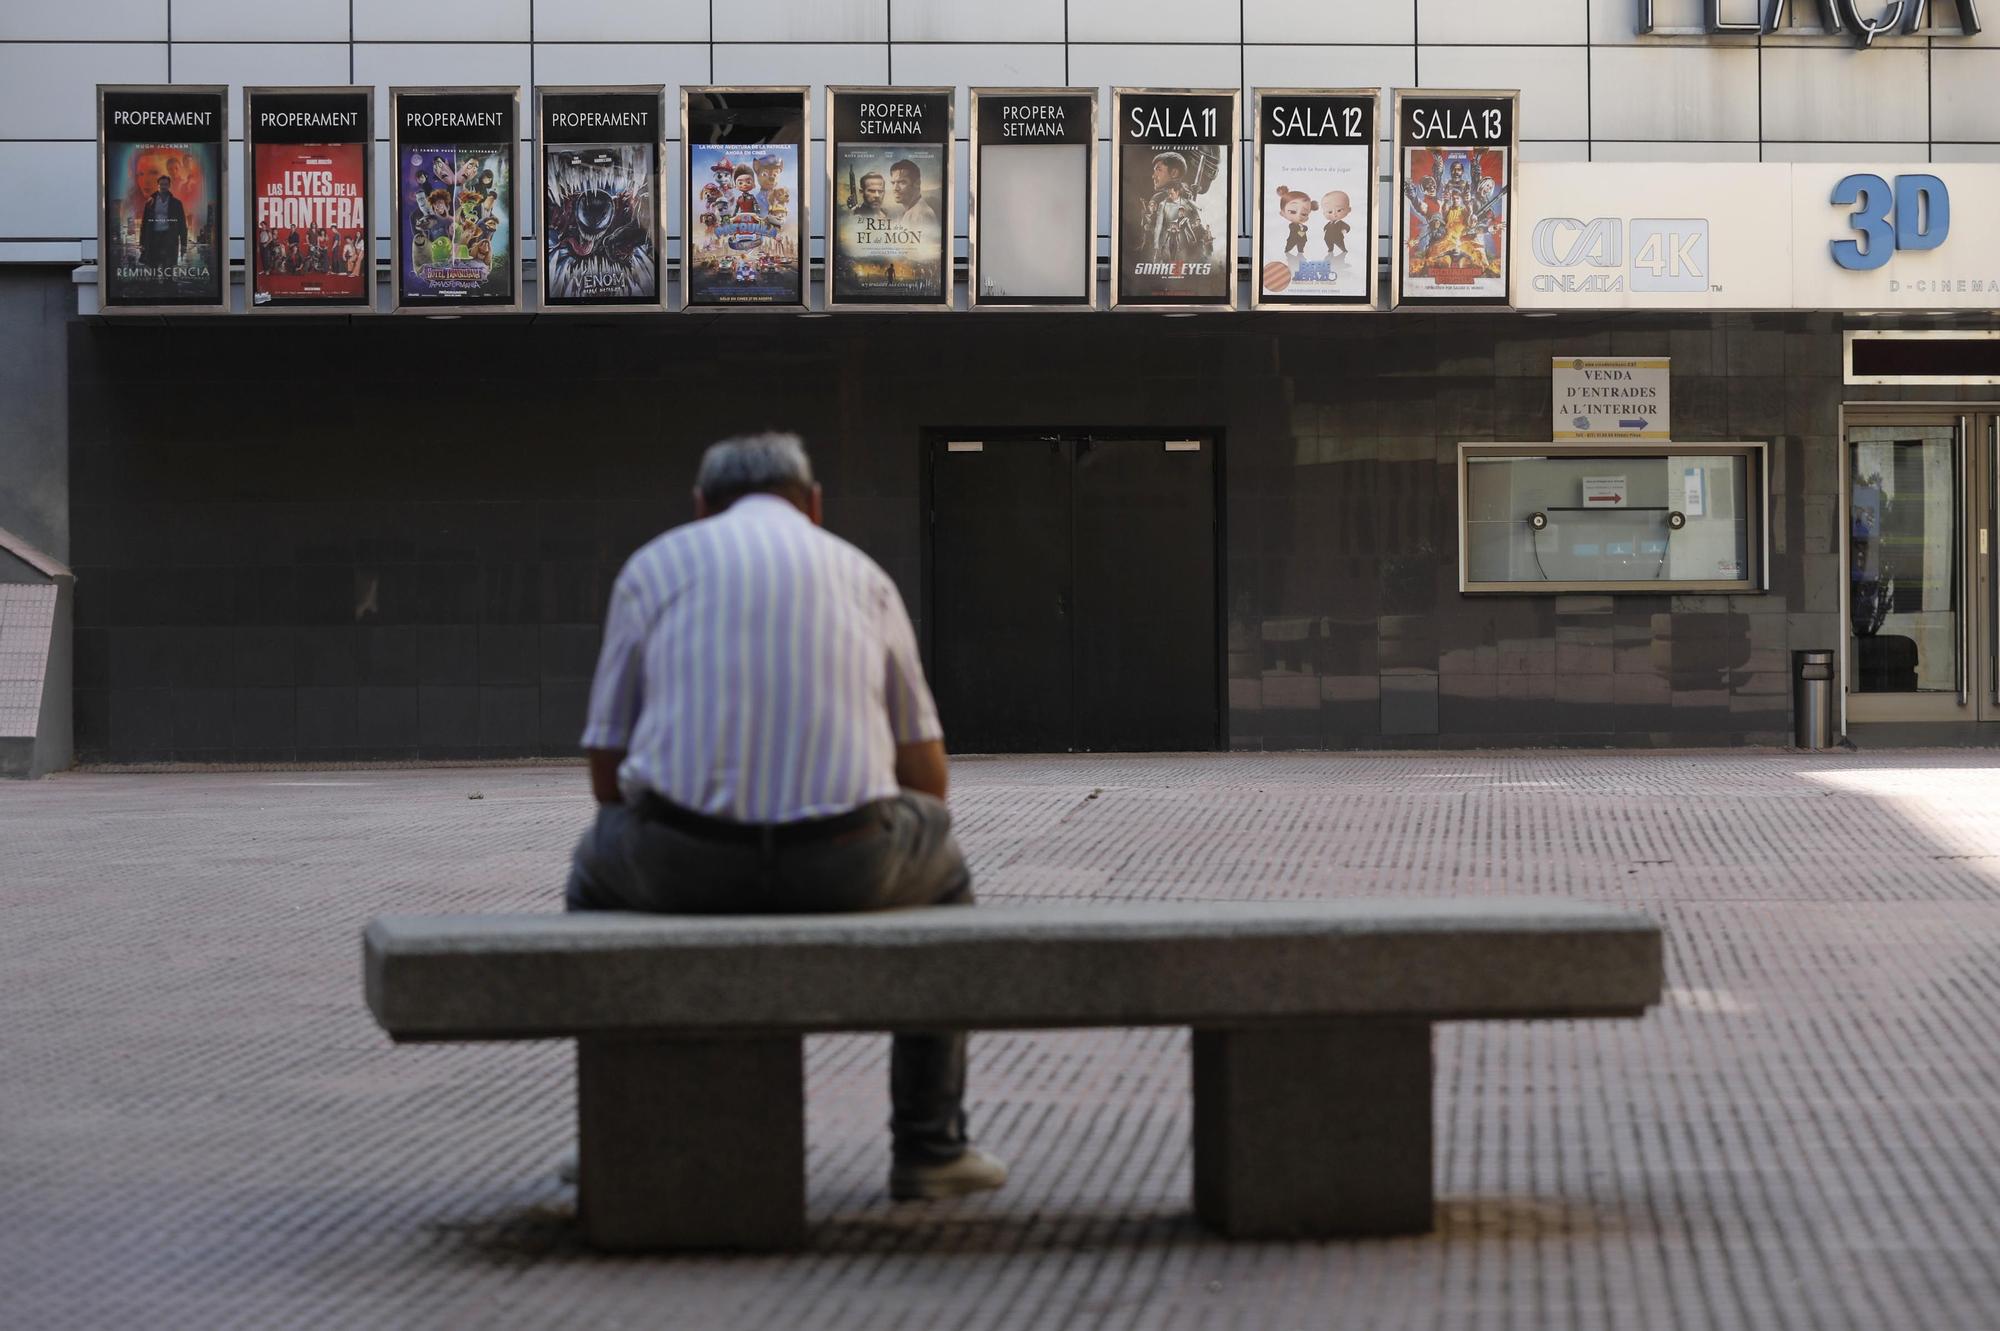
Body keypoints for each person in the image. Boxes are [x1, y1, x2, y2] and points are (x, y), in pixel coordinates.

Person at [567, 432, 1008, 1203]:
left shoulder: (654, 568)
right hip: (844, 860)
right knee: (944, 864)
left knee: (594, 861)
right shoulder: (862, 575)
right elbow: (929, 780)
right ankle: (930, 1145)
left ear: (701, 505)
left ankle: (619, 1128)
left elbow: (606, 774)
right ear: (814, 502)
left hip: (684, 863)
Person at [138, 174, 188, 269]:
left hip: (169, 238)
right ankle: (155, 283)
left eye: (165, 184)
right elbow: (144, 224)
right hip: (153, 238)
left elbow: (182, 224)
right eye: (161, 184)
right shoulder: (150, 203)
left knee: (168, 268)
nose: (163, 186)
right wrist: (142, 243)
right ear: (158, 185)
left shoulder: (176, 203)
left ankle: (168, 283)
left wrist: (184, 244)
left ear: (169, 186)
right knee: (153, 267)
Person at [889, 159, 938, 229]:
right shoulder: (912, 211)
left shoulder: (922, 215)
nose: (895, 188)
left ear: (917, 183)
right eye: (893, 183)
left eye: (902, 182)